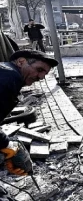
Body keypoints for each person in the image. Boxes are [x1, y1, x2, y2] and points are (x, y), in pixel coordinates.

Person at [0, 50, 58, 200]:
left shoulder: (5, 71)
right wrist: (6, 143)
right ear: (21, 62)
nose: (41, 77)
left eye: (44, 74)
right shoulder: (10, 78)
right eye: (39, 70)